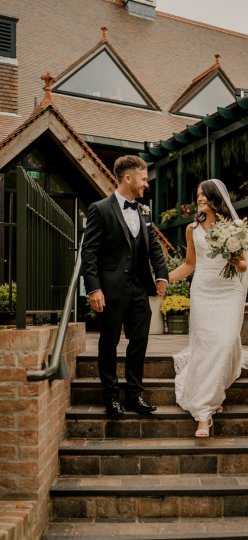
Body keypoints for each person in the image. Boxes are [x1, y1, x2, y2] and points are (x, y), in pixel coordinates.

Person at [81, 155, 168, 417]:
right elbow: (90, 252)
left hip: (139, 288)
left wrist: (162, 274)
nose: (146, 184)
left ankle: (133, 395)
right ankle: (110, 397)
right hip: (110, 290)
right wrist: (94, 288)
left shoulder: (143, 211)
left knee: (139, 341)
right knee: (108, 343)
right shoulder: (100, 208)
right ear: (128, 178)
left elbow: (153, 246)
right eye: (143, 179)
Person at [168, 179, 248, 437]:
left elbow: (243, 267)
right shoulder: (192, 229)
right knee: (206, 345)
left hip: (229, 292)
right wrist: (163, 278)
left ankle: (211, 394)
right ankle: (204, 413)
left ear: (215, 197)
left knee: (226, 341)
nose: (199, 198)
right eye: (197, 195)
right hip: (203, 291)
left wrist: (231, 255)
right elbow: (190, 264)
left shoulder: (235, 227)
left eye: (203, 194)